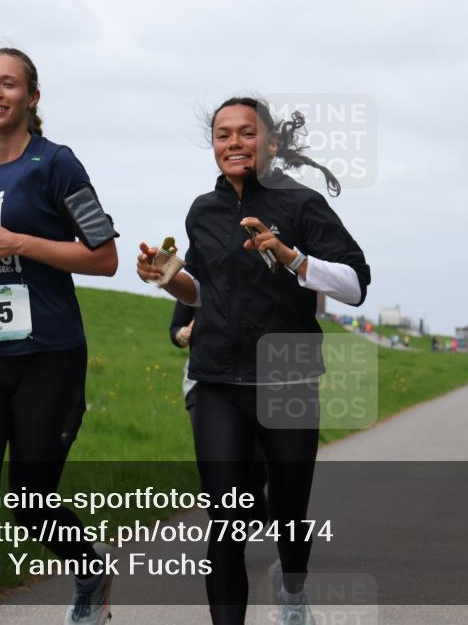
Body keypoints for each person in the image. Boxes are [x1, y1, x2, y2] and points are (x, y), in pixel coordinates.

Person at [137, 97, 370, 625]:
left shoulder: (301, 204)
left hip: (288, 372)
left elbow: (356, 285)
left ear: (270, 143)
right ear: (213, 144)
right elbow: (203, 293)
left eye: (247, 133)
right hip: (217, 376)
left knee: (289, 512)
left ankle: (292, 594)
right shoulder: (203, 210)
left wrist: (291, 257)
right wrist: (167, 276)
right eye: (223, 135)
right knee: (225, 520)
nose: (234, 143)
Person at [0, 48, 119, 625]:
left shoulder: (57, 164)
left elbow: (103, 257)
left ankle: (89, 568)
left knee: (30, 505)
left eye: (9, 84)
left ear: (32, 98)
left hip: (49, 357)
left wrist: (20, 243)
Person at [170, 301, 269, 524]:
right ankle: (227, 544)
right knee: (214, 474)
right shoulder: (199, 276)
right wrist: (183, 334)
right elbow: (175, 328)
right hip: (202, 384)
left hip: (256, 382)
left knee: (255, 466)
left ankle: (254, 501)